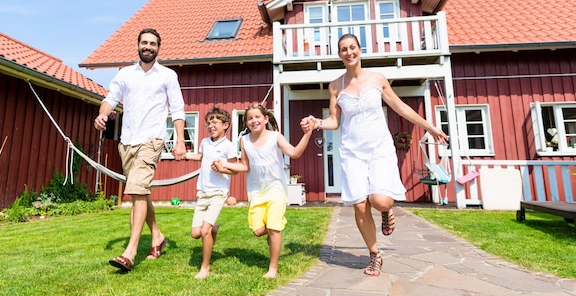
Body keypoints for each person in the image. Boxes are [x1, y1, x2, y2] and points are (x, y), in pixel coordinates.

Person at [301, 33, 447, 277]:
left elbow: (400, 107)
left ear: (360, 50)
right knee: (359, 205)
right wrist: (317, 122)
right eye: (343, 49)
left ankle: (386, 212)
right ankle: (375, 254)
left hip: (379, 148)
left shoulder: (378, 79)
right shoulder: (335, 86)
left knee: (380, 201)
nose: (349, 53)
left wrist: (430, 127)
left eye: (352, 48)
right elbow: (335, 122)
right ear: (339, 55)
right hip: (351, 152)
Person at [94, 28, 186, 272]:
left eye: (153, 43)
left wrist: (179, 140)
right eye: (144, 42)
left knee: (135, 190)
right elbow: (110, 99)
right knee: (141, 192)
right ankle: (156, 236)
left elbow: (177, 109)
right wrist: (102, 115)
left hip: (152, 141)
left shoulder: (167, 76)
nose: (148, 46)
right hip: (127, 141)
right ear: (138, 45)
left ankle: (130, 252)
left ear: (158, 48)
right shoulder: (125, 74)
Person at [213, 104, 315, 278]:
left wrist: (308, 134)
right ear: (246, 122)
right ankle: (275, 227)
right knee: (258, 230)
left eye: (257, 117)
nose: (254, 121)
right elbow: (245, 165)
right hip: (256, 191)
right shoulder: (244, 140)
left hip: (276, 187)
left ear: (266, 119)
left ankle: (272, 268)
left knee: (274, 229)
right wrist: (224, 165)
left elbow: (294, 153)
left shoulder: (275, 137)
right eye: (250, 118)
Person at [185, 106, 238, 279]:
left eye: (215, 122)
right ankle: (214, 228)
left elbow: (235, 170)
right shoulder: (204, 142)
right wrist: (184, 155)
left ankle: (205, 268)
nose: (211, 125)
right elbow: (201, 157)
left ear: (225, 125)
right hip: (203, 191)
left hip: (218, 192)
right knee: (195, 233)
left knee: (204, 231)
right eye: (208, 123)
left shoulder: (229, 146)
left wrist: (222, 168)